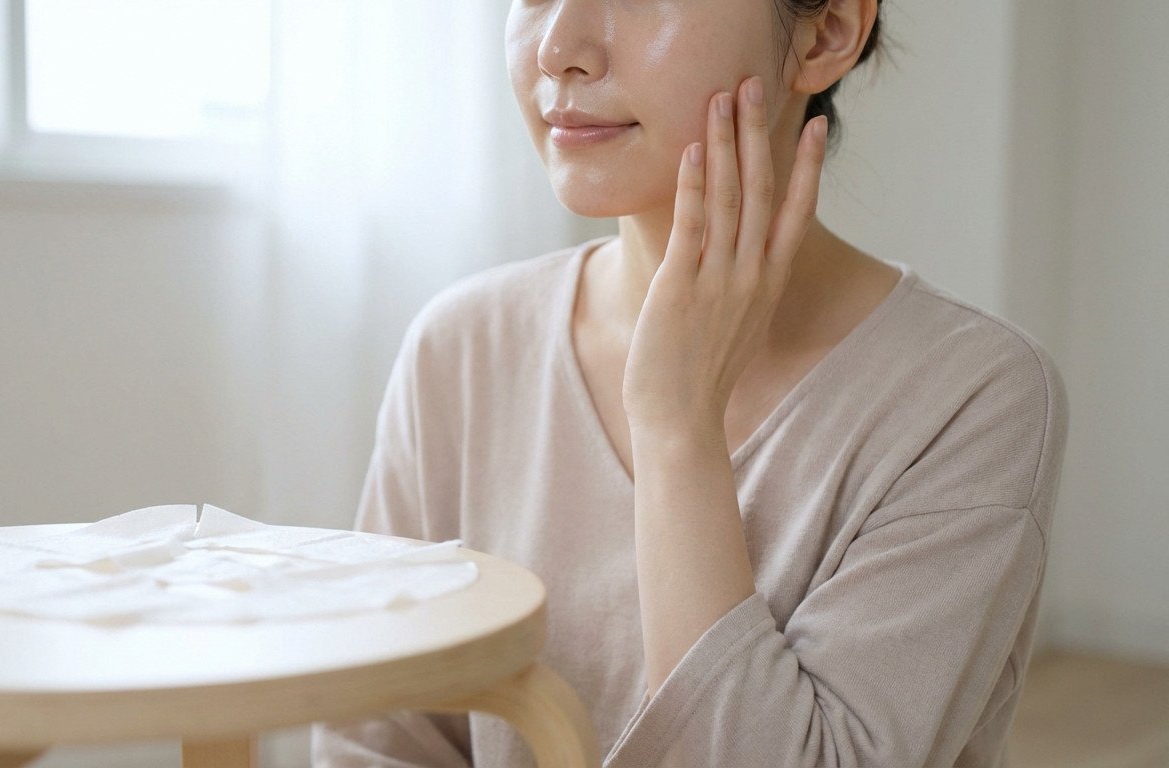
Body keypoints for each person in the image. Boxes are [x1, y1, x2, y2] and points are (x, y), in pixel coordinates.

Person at [312, 0, 1068, 764]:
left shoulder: (973, 396)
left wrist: (677, 428)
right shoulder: (463, 345)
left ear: (828, 32)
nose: (558, 47)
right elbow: (377, 738)